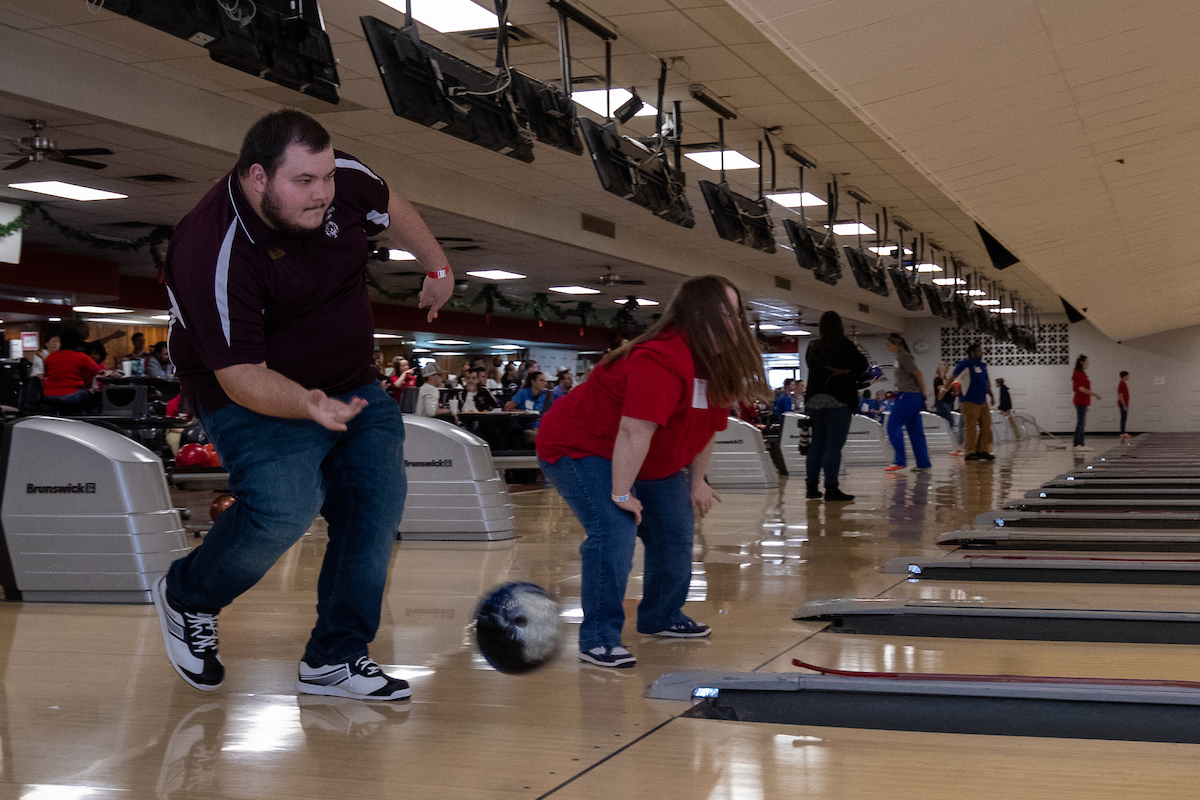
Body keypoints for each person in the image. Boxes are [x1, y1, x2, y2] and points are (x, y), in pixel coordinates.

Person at [154, 109, 453, 702]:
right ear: (258, 177)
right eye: (305, 183)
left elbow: (389, 204)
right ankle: (187, 595)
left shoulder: (336, 177)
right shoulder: (210, 249)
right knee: (285, 507)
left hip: (351, 380)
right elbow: (240, 374)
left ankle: (336, 659)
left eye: (326, 179)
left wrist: (437, 264)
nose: (323, 194)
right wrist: (307, 404)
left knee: (374, 506)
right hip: (247, 385)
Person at [536, 275, 768, 668]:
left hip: (646, 457)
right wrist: (622, 494)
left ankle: (662, 616)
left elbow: (709, 427)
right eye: (725, 313)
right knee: (614, 532)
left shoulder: (717, 366)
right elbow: (634, 430)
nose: (734, 322)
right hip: (583, 447)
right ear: (698, 315)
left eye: (737, 313)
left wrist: (697, 481)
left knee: (675, 534)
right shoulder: (660, 358)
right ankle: (598, 637)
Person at [804, 311, 869, 501]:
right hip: (838, 400)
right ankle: (831, 488)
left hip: (814, 401)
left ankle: (811, 487)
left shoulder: (812, 346)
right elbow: (862, 366)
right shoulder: (845, 345)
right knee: (833, 446)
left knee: (817, 444)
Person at [884, 332, 931, 472]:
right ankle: (923, 463)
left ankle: (900, 460)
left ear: (896, 344)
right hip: (911, 396)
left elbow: (918, 374)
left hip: (908, 396)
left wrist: (923, 393)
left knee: (892, 426)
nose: (887, 348)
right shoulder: (900, 357)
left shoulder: (903, 356)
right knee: (915, 431)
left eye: (888, 345)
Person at [952, 342, 995, 461]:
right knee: (971, 427)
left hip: (982, 400)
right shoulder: (965, 364)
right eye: (979, 351)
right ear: (972, 353)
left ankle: (983, 450)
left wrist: (991, 395)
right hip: (969, 400)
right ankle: (970, 452)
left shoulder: (983, 365)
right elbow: (953, 375)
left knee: (986, 425)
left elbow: (987, 381)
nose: (981, 353)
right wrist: (944, 389)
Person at [42, 327, 101, 414]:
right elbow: (99, 372)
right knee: (93, 400)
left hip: (49, 395)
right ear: (77, 342)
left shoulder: (50, 357)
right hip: (73, 394)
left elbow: (46, 375)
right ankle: (92, 423)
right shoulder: (82, 357)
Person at [1072, 354, 1101, 451]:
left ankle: (1081, 444)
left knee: (1082, 423)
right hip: (1080, 401)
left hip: (1083, 402)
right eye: (1087, 362)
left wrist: (1087, 404)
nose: (1088, 364)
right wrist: (1094, 394)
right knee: (1080, 423)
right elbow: (1081, 388)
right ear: (1082, 362)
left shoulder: (1082, 373)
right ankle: (1077, 444)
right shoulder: (1079, 373)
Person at [1118, 371, 1131, 440]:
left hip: (1125, 403)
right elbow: (1121, 395)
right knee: (1123, 418)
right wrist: (1124, 405)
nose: (1128, 377)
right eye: (1127, 376)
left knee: (1124, 418)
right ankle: (1122, 433)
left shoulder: (1124, 384)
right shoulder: (1121, 384)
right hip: (1123, 403)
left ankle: (1123, 432)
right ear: (1124, 376)